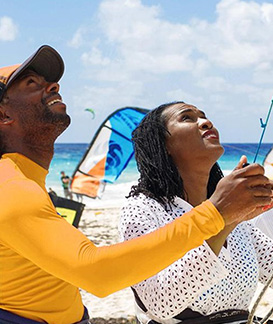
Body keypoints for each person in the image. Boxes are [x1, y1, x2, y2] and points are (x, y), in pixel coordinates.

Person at [0, 46, 271, 324]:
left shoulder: (26, 180)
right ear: (3, 116)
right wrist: (217, 214)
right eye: (32, 83)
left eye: (49, 81)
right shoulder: (10, 188)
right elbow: (97, 273)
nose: (54, 85)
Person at [119, 102, 273, 324]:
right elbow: (160, 303)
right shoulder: (143, 209)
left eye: (204, 116)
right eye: (187, 118)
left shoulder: (235, 209)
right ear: (164, 145)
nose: (206, 122)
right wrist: (225, 217)